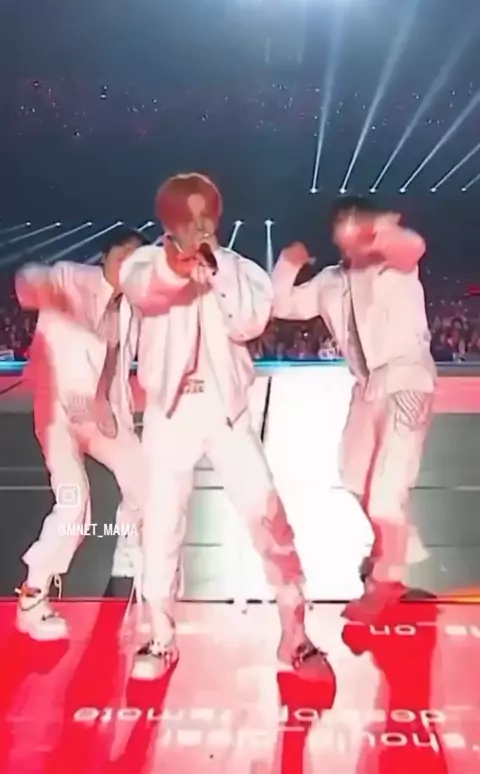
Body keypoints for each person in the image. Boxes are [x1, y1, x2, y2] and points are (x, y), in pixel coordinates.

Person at [119, 172, 330, 680]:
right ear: (168, 223)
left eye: (206, 215)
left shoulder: (239, 269)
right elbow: (147, 292)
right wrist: (176, 266)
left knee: (268, 518)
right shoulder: (143, 264)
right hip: (170, 415)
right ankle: (160, 636)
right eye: (188, 218)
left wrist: (215, 271)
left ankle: (296, 635)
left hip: (227, 413)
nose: (200, 226)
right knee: (160, 528)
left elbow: (249, 324)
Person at [272, 195, 436, 621]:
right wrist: (288, 265)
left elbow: (413, 246)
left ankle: (387, 579)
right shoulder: (330, 281)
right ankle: (395, 552)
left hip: (406, 381)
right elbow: (282, 305)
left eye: (354, 221)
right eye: (342, 223)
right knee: (354, 475)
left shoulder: (393, 262)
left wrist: (379, 230)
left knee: (385, 497)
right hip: (367, 389)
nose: (348, 230)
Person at [14, 227, 149, 640]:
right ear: (105, 256)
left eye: (137, 259)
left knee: (146, 481)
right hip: (58, 409)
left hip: (101, 413)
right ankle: (33, 596)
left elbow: (122, 357)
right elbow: (30, 281)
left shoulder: (135, 306)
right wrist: (40, 289)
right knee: (74, 502)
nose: (128, 265)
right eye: (122, 255)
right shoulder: (72, 277)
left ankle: (132, 558)